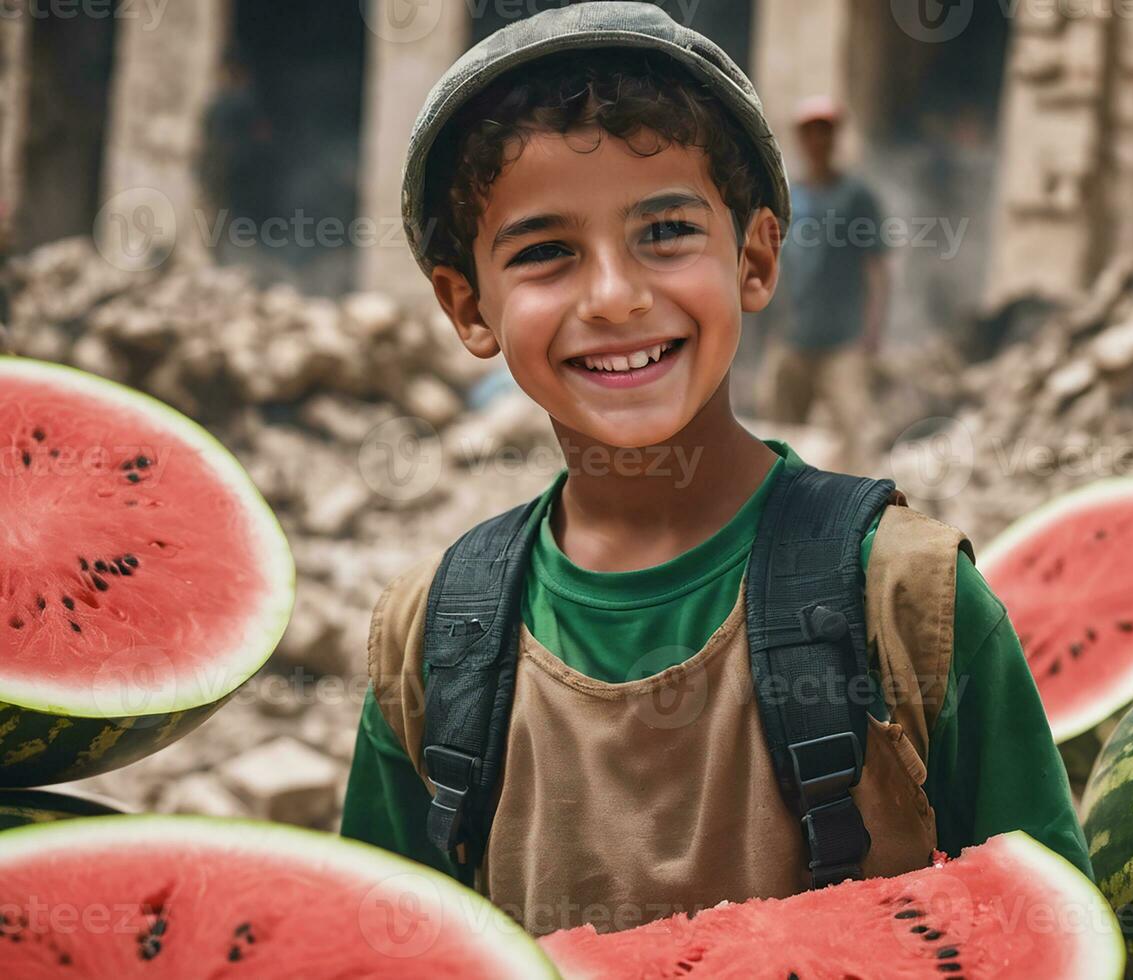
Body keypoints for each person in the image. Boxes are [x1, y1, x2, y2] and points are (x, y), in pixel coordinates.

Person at [340, 2, 1089, 938]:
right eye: (545, 253)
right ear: (467, 307)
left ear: (756, 257)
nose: (615, 297)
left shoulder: (912, 602)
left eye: (665, 233)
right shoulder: (426, 640)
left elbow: (1047, 932)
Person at [758, 95, 889, 470]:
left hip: (843, 343)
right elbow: (771, 263)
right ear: (800, 140)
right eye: (810, 133)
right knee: (776, 437)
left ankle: (865, 513)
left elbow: (876, 268)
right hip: (792, 338)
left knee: (857, 434)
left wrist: (872, 333)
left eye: (825, 132)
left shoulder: (856, 197)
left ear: (835, 138)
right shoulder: (787, 197)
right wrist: (769, 328)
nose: (817, 141)